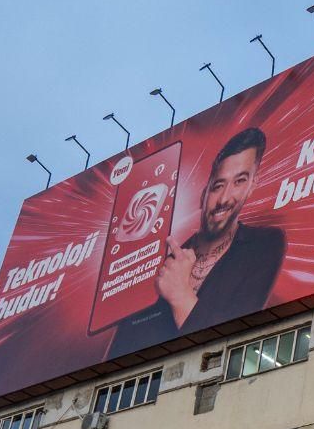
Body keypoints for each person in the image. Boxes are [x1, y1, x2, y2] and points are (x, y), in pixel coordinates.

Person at [110, 127, 285, 355]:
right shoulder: (160, 266)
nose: (224, 199)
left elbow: (230, 346)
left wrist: (181, 295)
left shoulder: (264, 246)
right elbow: (120, 355)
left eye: (239, 181)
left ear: (253, 185)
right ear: (204, 192)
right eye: (218, 186)